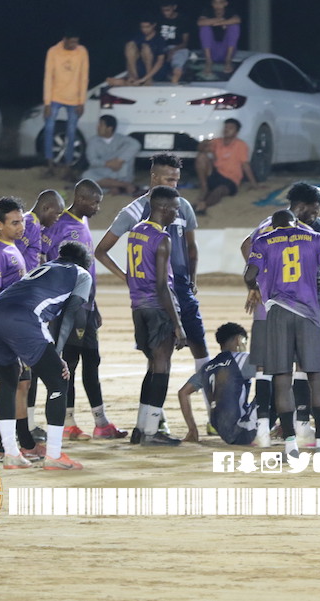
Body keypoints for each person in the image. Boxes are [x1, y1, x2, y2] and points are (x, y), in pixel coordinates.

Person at [95, 153, 211, 436]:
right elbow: (101, 250)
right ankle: (154, 423)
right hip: (158, 291)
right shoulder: (133, 212)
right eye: (169, 179)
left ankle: (213, 414)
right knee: (159, 357)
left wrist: (192, 280)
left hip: (179, 287)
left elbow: (192, 247)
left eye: (177, 180)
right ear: (154, 177)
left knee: (199, 348)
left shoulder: (182, 206)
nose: (174, 185)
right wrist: (129, 278)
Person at [239, 182, 320, 448]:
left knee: (275, 372)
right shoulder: (315, 234)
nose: (317, 215)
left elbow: (247, 256)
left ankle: (275, 433)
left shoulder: (265, 232)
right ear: (301, 207)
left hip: (273, 308)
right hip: (309, 308)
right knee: (312, 372)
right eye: (315, 210)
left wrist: (257, 285)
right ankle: (313, 435)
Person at [0, 240, 94, 470]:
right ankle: (54, 456)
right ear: (84, 263)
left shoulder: (45, 268)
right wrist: (58, 355)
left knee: (8, 382)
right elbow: (70, 315)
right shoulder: (81, 274)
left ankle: (11, 454)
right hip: (23, 320)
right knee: (58, 381)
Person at [43, 179, 127, 441]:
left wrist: (94, 305)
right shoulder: (63, 226)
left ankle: (95, 423)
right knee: (73, 362)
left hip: (85, 305)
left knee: (89, 361)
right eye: (95, 202)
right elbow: (52, 263)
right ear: (80, 199)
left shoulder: (82, 222)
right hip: (71, 307)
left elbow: (87, 268)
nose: (97, 208)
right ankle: (73, 423)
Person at [125, 185, 188, 446]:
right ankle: (152, 432)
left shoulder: (136, 231)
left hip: (138, 307)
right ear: (163, 208)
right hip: (158, 308)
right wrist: (178, 324)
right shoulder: (162, 239)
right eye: (175, 209)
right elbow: (162, 285)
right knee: (162, 367)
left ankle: (140, 428)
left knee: (152, 366)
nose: (177, 214)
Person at [0, 197, 38, 462]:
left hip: (19, 327)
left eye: (21, 221)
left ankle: (25, 442)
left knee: (23, 384)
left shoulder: (12, 247)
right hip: (6, 330)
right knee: (9, 384)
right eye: (14, 223)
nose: (21, 227)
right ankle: (4, 447)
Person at [14, 189, 65, 442]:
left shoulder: (33, 226)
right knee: (25, 374)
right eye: (57, 212)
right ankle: (22, 428)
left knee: (28, 373)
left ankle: (28, 424)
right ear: (45, 208)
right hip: (23, 306)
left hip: (27, 304)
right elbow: (17, 258)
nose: (58, 217)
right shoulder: (30, 225)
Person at [178, 323, 258, 445]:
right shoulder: (243, 359)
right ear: (239, 340)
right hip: (242, 430)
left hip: (223, 432)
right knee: (278, 382)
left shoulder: (207, 367)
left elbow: (183, 393)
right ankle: (281, 426)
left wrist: (192, 429)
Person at [43, 29, 89, 173]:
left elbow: (84, 77)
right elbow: (48, 77)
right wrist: (47, 102)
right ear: (65, 40)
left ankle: (68, 166)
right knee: (49, 129)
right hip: (55, 96)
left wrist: (82, 101)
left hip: (74, 98)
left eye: (77, 42)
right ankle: (50, 164)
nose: (75, 45)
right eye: (72, 42)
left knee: (71, 131)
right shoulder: (53, 52)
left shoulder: (82, 51)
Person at [194, 118, 257, 215]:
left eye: (230, 128)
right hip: (216, 174)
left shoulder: (241, 145)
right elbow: (200, 149)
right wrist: (204, 142)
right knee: (201, 157)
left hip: (231, 179)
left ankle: (204, 204)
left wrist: (253, 184)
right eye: (226, 127)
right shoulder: (217, 141)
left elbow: (245, 165)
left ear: (236, 132)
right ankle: (204, 187)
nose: (227, 129)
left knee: (220, 190)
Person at [81, 115, 142, 195]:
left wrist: (119, 161)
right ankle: (124, 185)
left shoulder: (121, 139)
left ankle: (111, 187)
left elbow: (136, 144)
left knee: (129, 150)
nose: (97, 127)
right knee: (86, 175)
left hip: (120, 173)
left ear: (109, 128)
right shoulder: (93, 141)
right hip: (103, 172)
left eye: (101, 125)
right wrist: (108, 164)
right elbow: (92, 161)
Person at [197, 0, 242, 77]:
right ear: (212, 4)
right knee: (204, 28)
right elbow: (200, 22)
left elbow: (237, 19)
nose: (218, 5)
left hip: (226, 50)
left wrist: (220, 22)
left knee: (234, 26)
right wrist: (219, 20)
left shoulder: (230, 11)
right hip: (211, 50)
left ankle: (228, 60)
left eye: (221, 2)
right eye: (215, 3)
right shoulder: (208, 11)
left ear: (225, 3)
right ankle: (208, 61)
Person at [121, 18, 168, 86]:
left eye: (147, 27)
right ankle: (134, 77)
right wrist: (130, 74)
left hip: (154, 71)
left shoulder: (159, 39)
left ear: (153, 25)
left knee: (146, 48)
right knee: (129, 45)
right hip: (140, 70)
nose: (144, 29)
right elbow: (129, 58)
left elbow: (160, 62)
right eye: (142, 27)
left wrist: (145, 79)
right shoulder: (139, 37)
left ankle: (148, 79)